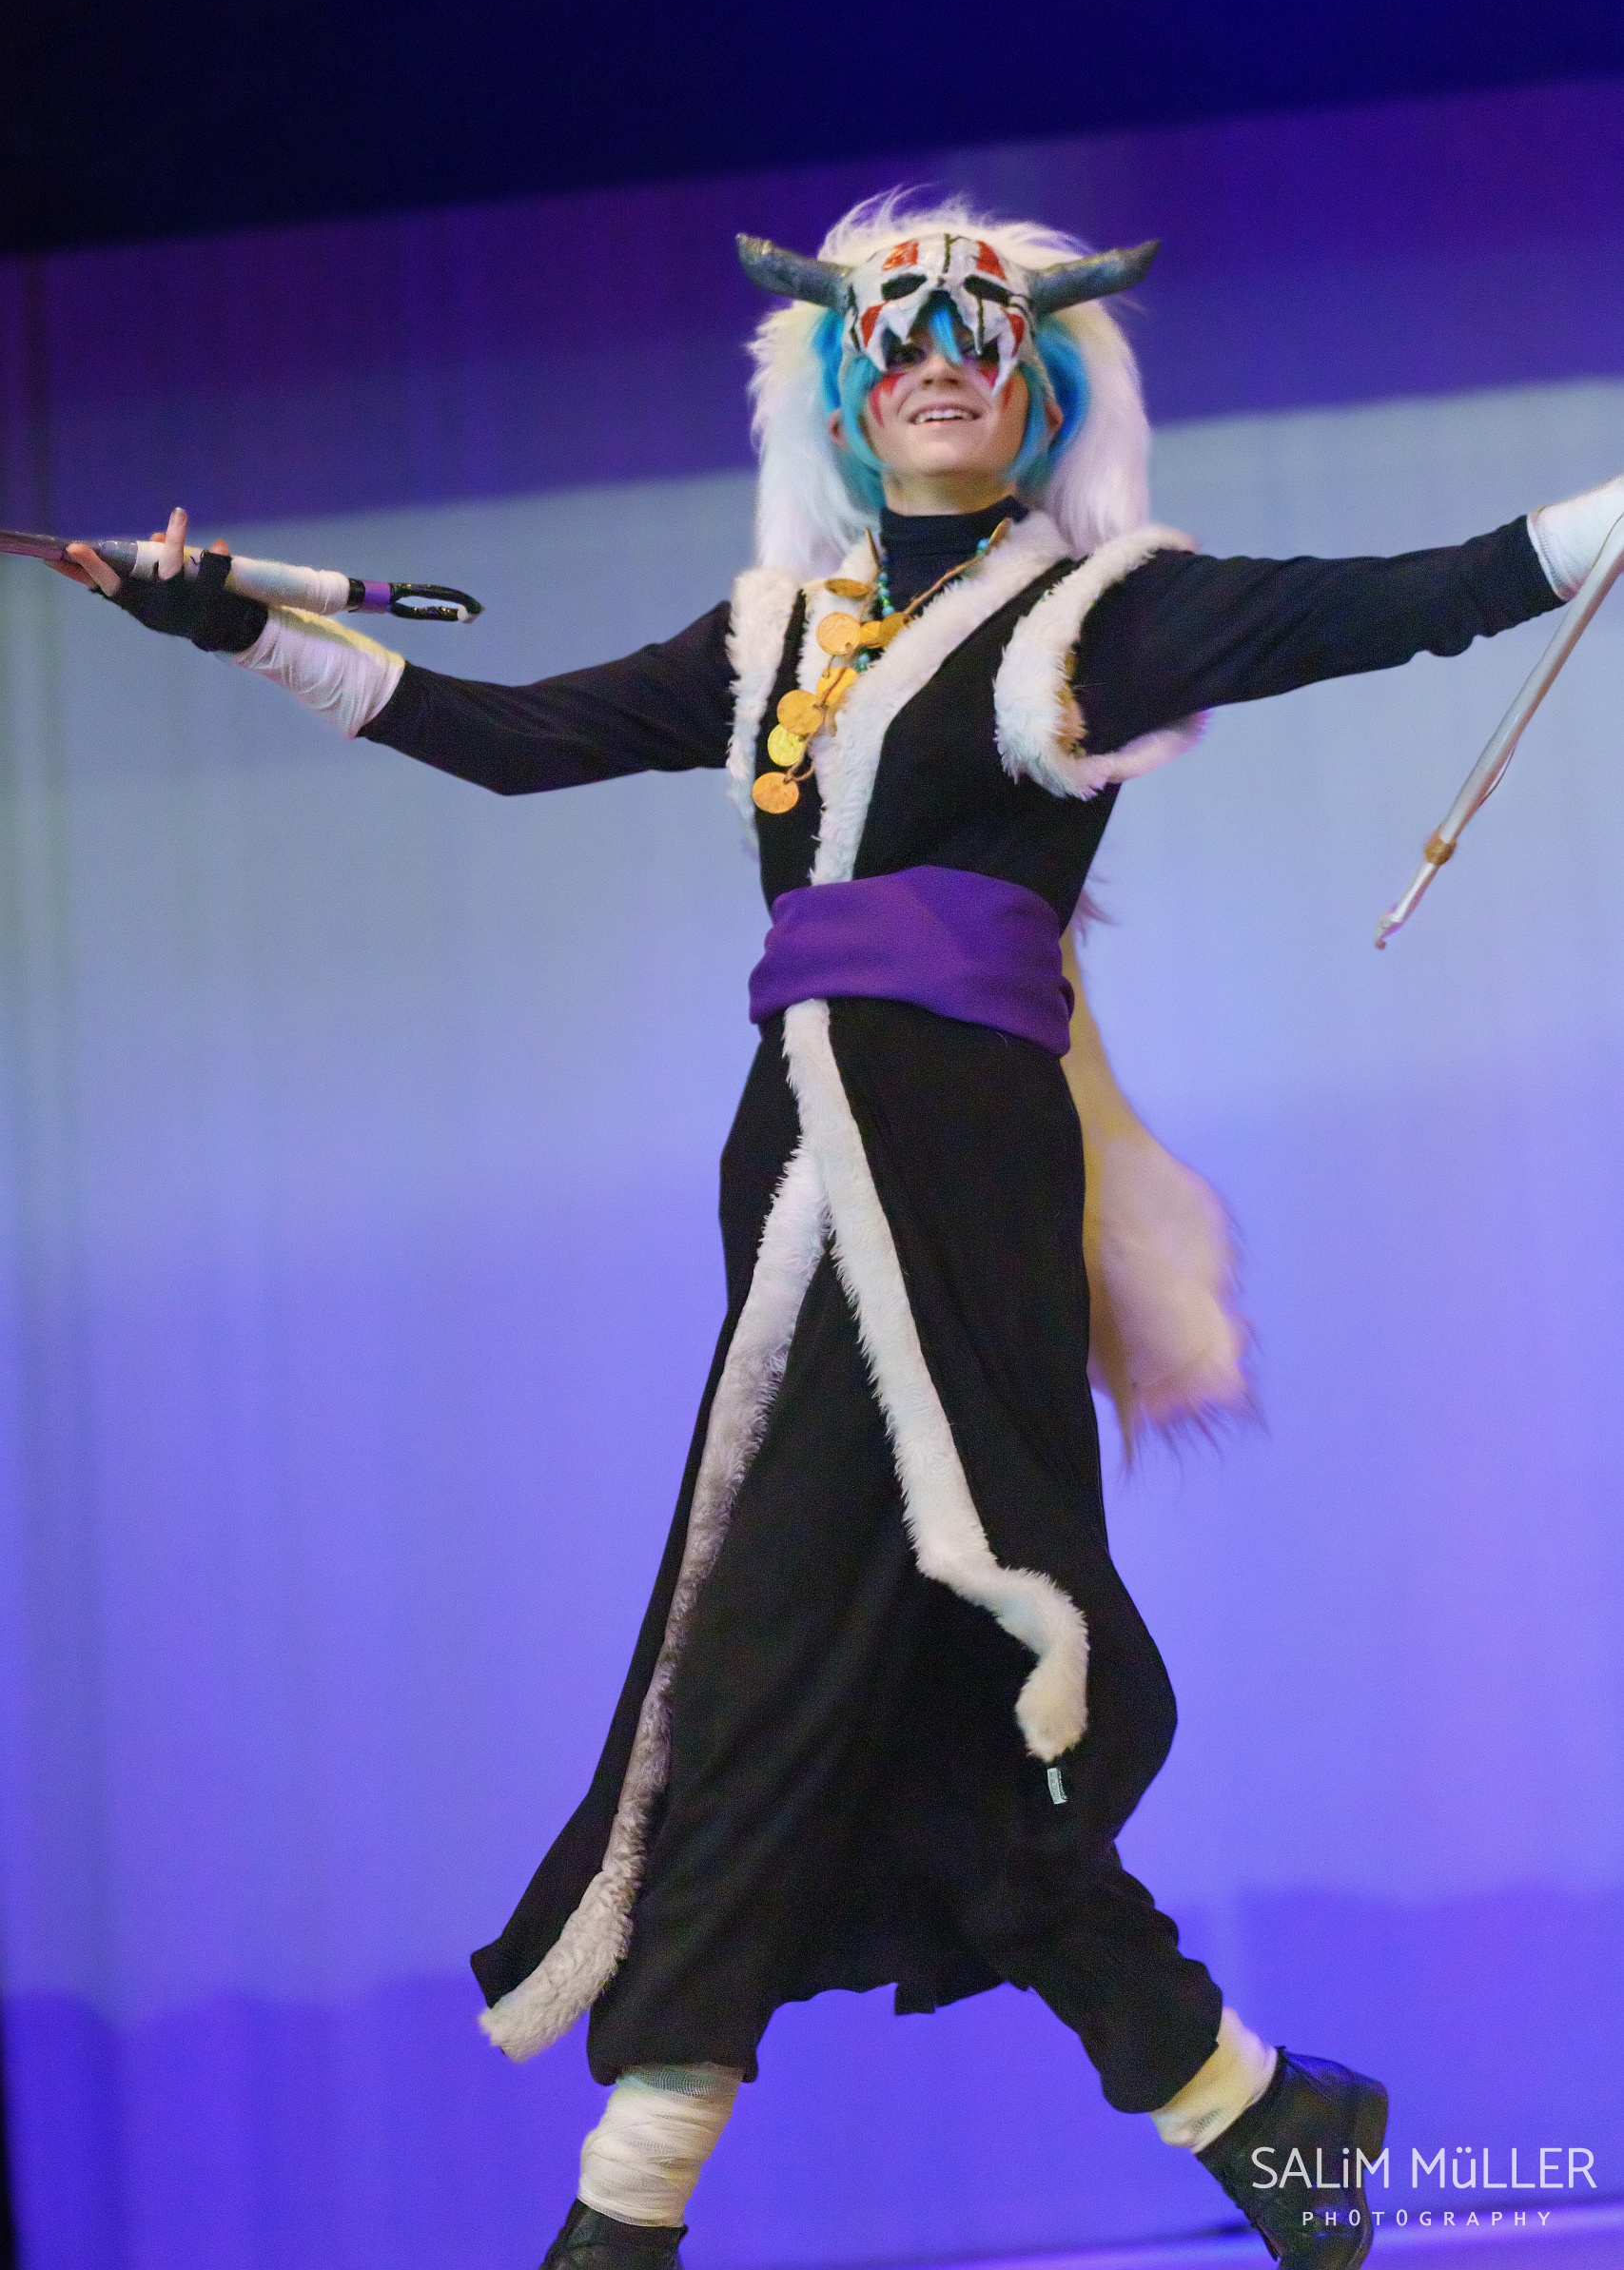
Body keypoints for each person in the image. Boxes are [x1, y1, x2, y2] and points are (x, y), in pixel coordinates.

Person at [55, 196, 1624, 2270]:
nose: (941, 359)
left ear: (1036, 386)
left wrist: (1603, 515)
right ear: (846, 390)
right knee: (940, 1731)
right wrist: (227, 625)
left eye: (984, 335)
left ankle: (625, 2214)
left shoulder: (1099, 618)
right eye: (897, 337)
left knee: (753, 1666)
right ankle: (1266, 2122)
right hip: (796, 1155)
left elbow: (1412, 597)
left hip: (952, 1183)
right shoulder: (772, 638)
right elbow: (513, 743)